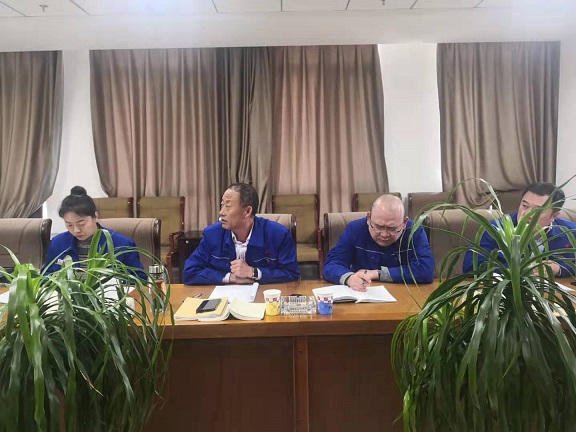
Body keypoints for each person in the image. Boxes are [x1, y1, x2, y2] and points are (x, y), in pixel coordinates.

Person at [183, 183, 300, 285]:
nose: (221, 212)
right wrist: (229, 277)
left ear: (247, 211)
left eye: (227, 206)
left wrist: (253, 272)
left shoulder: (278, 234)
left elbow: (291, 273)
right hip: (224, 297)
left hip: (263, 296)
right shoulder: (212, 235)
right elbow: (189, 271)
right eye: (222, 205)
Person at [322, 194, 435, 291]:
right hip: (363, 292)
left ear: (404, 222)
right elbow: (331, 265)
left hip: (403, 294)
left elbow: (426, 270)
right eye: (378, 227)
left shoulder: (415, 232)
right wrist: (349, 278)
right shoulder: (354, 229)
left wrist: (376, 273)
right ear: (368, 218)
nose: (384, 234)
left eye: (392, 228)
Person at [462, 182, 576, 276]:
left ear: (554, 216)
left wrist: (559, 269)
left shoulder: (570, 232)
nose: (527, 214)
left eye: (538, 211)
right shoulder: (494, 229)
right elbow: (471, 266)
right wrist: (519, 271)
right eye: (525, 206)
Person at [43, 186, 145, 277]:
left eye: (81, 224)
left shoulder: (122, 244)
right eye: (69, 225)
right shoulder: (57, 243)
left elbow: (140, 278)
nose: (76, 230)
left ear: (95, 216)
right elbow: (46, 275)